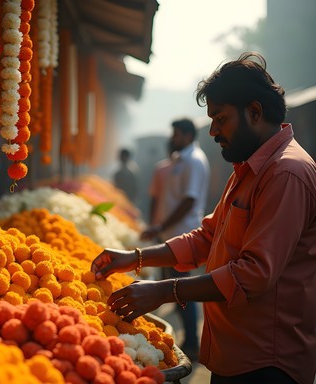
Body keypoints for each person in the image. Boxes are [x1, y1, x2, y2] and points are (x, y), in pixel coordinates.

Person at [91, 52, 316, 384]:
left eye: (220, 118)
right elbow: (207, 237)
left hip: (267, 363)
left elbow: (255, 273)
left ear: (254, 112)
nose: (212, 130)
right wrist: (134, 258)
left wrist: (164, 291)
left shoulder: (286, 173)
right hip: (234, 355)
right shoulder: (248, 169)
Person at [142, 118, 210, 361]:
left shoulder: (194, 160)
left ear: (188, 136)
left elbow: (189, 201)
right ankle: (190, 339)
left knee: (181, 289)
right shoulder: (179, 160)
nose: (173, 138)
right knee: (175, 289)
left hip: (183, 235)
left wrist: (161, 226)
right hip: (171, 235)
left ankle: (192, 342)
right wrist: (158, 228)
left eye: (177, 134)